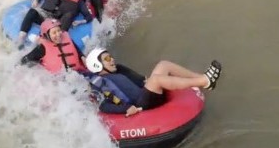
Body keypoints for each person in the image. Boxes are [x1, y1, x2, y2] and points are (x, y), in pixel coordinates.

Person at [84, 48, 222, 117]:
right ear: (97, 65)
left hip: (145, 94)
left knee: (163, 64)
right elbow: (103, 106)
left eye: (110, 57)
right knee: (156, 80)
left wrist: (146, 81)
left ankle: (202, 78)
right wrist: (125, 109)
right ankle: (204, 81)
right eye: (107, 59)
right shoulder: (98, 83)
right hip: (140, 104)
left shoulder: (119, 69)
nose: (112, 59)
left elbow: (139, 79)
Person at [17, 0, 93, 49]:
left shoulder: (79, 1)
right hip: (45, 16)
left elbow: (89, 16)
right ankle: (21, 38)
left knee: (69, 15)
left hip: (58, 24)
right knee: (32, 11)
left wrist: (80, 22)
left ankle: (51, 42)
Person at [20, 19, 86, 73]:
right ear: (47, 36)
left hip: (78, 73)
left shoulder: (66, 37)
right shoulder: (42, 48)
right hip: (60, 81)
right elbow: (24, 61)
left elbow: (75, 48)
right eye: (54, 33)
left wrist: (82, 56)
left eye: (59, 30)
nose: (58, 34)